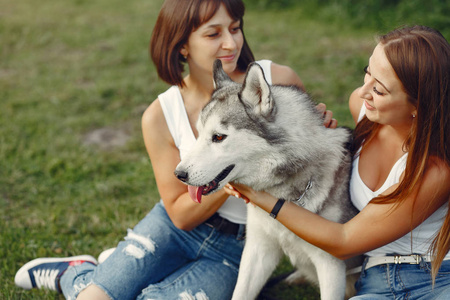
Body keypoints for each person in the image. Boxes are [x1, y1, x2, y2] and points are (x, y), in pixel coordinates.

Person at [14, 0, 335, 299]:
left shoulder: (275, 79)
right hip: (174, 230)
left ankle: (121, 266)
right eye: (213, 33)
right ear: (182, 45)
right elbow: (180, 215)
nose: (231, 43)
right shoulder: (160, 114)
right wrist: (232, 172)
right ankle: (77, 274)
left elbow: (304, 157)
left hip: (240, 243)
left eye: (235, 28)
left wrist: (317, 127)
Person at [225, 25, 450, 299]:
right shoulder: (363, 109)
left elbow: (343, 242)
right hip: (375, 279)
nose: (363, 91)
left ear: (418, 105)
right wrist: (315, 131)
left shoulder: (434, 170)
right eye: (367, 73)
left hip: (434, 279)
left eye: (378, 90)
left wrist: (258, 196)